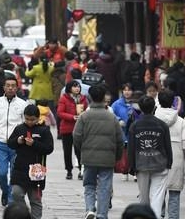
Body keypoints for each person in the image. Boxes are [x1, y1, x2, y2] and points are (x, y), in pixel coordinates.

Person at [73, 84, 124, 219]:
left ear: (89, 98)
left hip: (89, 157)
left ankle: (90, 209)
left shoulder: (84, 117)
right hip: (107, 159)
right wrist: (117, 156)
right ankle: (102, 214)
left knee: (89, 184)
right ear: (103, 98)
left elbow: (76, 136)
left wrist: (83, 150)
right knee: (105, 187)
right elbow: (120, 140)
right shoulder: (112, 118)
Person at [7, 104, 55, 219]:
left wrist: (34, 143)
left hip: (36, 171)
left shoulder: (44, 130)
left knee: (35, 199)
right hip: (20, 169)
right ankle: (24, 215)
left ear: (38, 118)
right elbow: (10, 143)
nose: (29, 122)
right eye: (27, 119)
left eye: (32, 119)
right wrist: (17, 141)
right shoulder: (19, 128)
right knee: (16, 193)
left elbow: (49, 148)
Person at [0, 72, 29, 207]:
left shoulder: (23, 104)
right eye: (8, 86)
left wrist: (22, 139)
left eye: (13, 86)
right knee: (2, 173)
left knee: (14, 173)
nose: (10, 88)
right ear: (4, 87)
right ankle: (5, 191)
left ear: (17, 88)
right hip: (0, 143)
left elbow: (25, 123)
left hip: (16, 144)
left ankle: (11, 199)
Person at [128, 95, 173, 218]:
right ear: (154, 108)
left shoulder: (135, 126)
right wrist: (169, 163)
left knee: (143, 198)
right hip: (160, 164)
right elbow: (167, 146)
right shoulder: (162, 125)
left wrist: (132, 166)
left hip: (141, 165)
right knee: (157, 197)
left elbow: (131, 148)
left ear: (140, 108)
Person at [155, 90, 185, 219]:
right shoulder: (181, 121)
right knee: (174, 194)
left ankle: (159, 215)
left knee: (158, 193)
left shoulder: (154, 120)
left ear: (159, 101)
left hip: (156, 160)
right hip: (176, 161)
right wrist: (184, 156)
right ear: (173, 102)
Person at [58, 80, 88, 180]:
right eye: (75, 86)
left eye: (78, 87)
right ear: (69, 88)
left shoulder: (83, 99)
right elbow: (60, 112)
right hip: (67, 128)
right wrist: (72, 117)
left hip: (79, 129)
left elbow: (87, 110)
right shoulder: (64, 98)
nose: (77, 88)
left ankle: (81, 170)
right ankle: (69, 170)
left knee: (79, 150)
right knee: (67, 151)